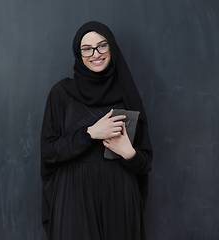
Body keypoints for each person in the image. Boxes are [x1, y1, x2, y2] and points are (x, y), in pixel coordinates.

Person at [40, 21, 153, 240]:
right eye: (87, 49)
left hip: (119, 195)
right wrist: (90, 133)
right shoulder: (61, 93)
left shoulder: (127, 94)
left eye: (102, 46)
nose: (96, 54)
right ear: (78, 53)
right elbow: (49, 153)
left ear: (111, 47)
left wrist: (129, 154)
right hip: (74, 197)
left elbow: (145, 163)